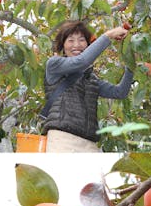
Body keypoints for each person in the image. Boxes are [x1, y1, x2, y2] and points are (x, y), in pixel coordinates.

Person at [42, 20, 133, 152]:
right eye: (70, 41)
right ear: (63, 46)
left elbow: (120, 92)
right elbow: (82, 61)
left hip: (89, 142)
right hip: (62, 139)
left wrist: (131, 64)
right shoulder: (54, 64)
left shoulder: (90, 78)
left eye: (81, 40)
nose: (76, 45)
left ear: (88, 45)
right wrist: (108, 35)